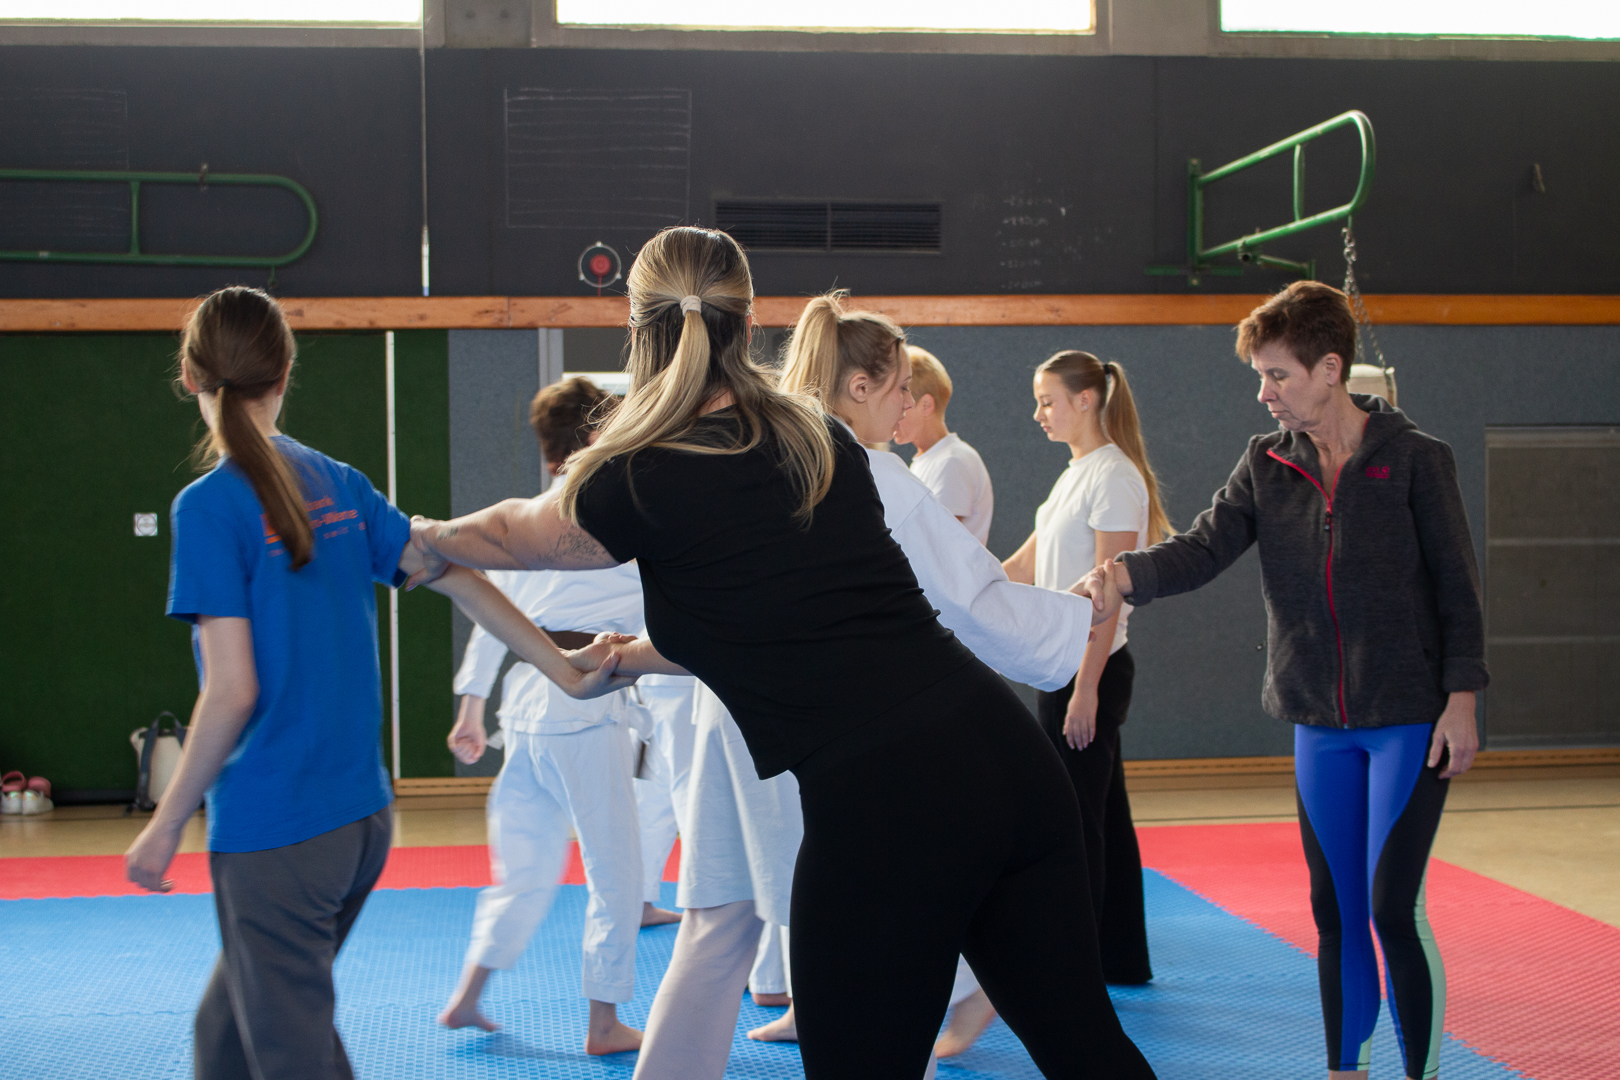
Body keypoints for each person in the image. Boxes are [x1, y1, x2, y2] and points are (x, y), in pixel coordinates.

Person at [405, 229, 1156, 1080]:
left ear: (636, 327)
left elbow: (515, 534)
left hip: (887, 808)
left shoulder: (640, 475)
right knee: (1089, 1052)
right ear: (750, 318)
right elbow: (807, 620)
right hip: (1007, 762)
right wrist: (636, 656)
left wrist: (423, 535)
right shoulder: (817, 437)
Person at [122, 287, 628, 1080]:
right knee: (227, 1036)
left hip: (278, 830)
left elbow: (231, 691)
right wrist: (560, 668)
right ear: (284, 372)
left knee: (289, 1049)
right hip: (358, 823)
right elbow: (452, 572)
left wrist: (165, 821)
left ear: (190, 376)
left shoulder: (209, 507)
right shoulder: (336, 481)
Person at [626, 294, 1100, 1075]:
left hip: (746, 716)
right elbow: (972, 601)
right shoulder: (867, 470)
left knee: (721, 923)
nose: (908, 406)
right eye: (899, 389)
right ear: (857, 387)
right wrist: (1080, 623)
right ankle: (933, 1005)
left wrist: (633, 655)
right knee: (869, 934)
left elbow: (733, 616)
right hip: (842, 738)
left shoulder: (755, 459)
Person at [1082, 280, 1486, 1080]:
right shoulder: (1266, 463)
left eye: (1277, 376)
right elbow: (1204, 547)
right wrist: (1124, 575)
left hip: (1409, 716)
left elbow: (1457, 587)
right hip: (1316, 719)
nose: (1264, 394)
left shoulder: (1416, 460)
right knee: (1334, 911)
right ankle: (1345, 1071)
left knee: (1390, 908)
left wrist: (1463, 699)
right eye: (1259, 376)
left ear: (1330, 368)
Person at [439, 376, 689, 1055]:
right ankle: (603, 1024)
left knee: (523, 866)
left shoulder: (529, 515)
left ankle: (467, 995)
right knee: (617, 871)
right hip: (586, 702)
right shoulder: (624, 513)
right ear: (600, 436)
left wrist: (470, 709)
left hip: (524, 704)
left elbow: (490, 612)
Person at [1001, 350, 1171, 987]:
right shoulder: (1075, 474)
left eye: (1047, 401)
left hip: (1088, 670)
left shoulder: (1115, 477)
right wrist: (956, 592)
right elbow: (1023, 564)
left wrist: (1086, 691)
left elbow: (1109, 592)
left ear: (1086, 400)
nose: (1038, 414)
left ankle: (1080, 964)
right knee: (1104, 815)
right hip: (1061, 665)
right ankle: (1120, 956)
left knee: (1075, 821)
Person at [891, 345, 994, 544]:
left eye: (900, 404)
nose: (891, 414)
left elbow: (938, 544)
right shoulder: (929, 460)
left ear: (926, 405)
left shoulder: (952, 461)